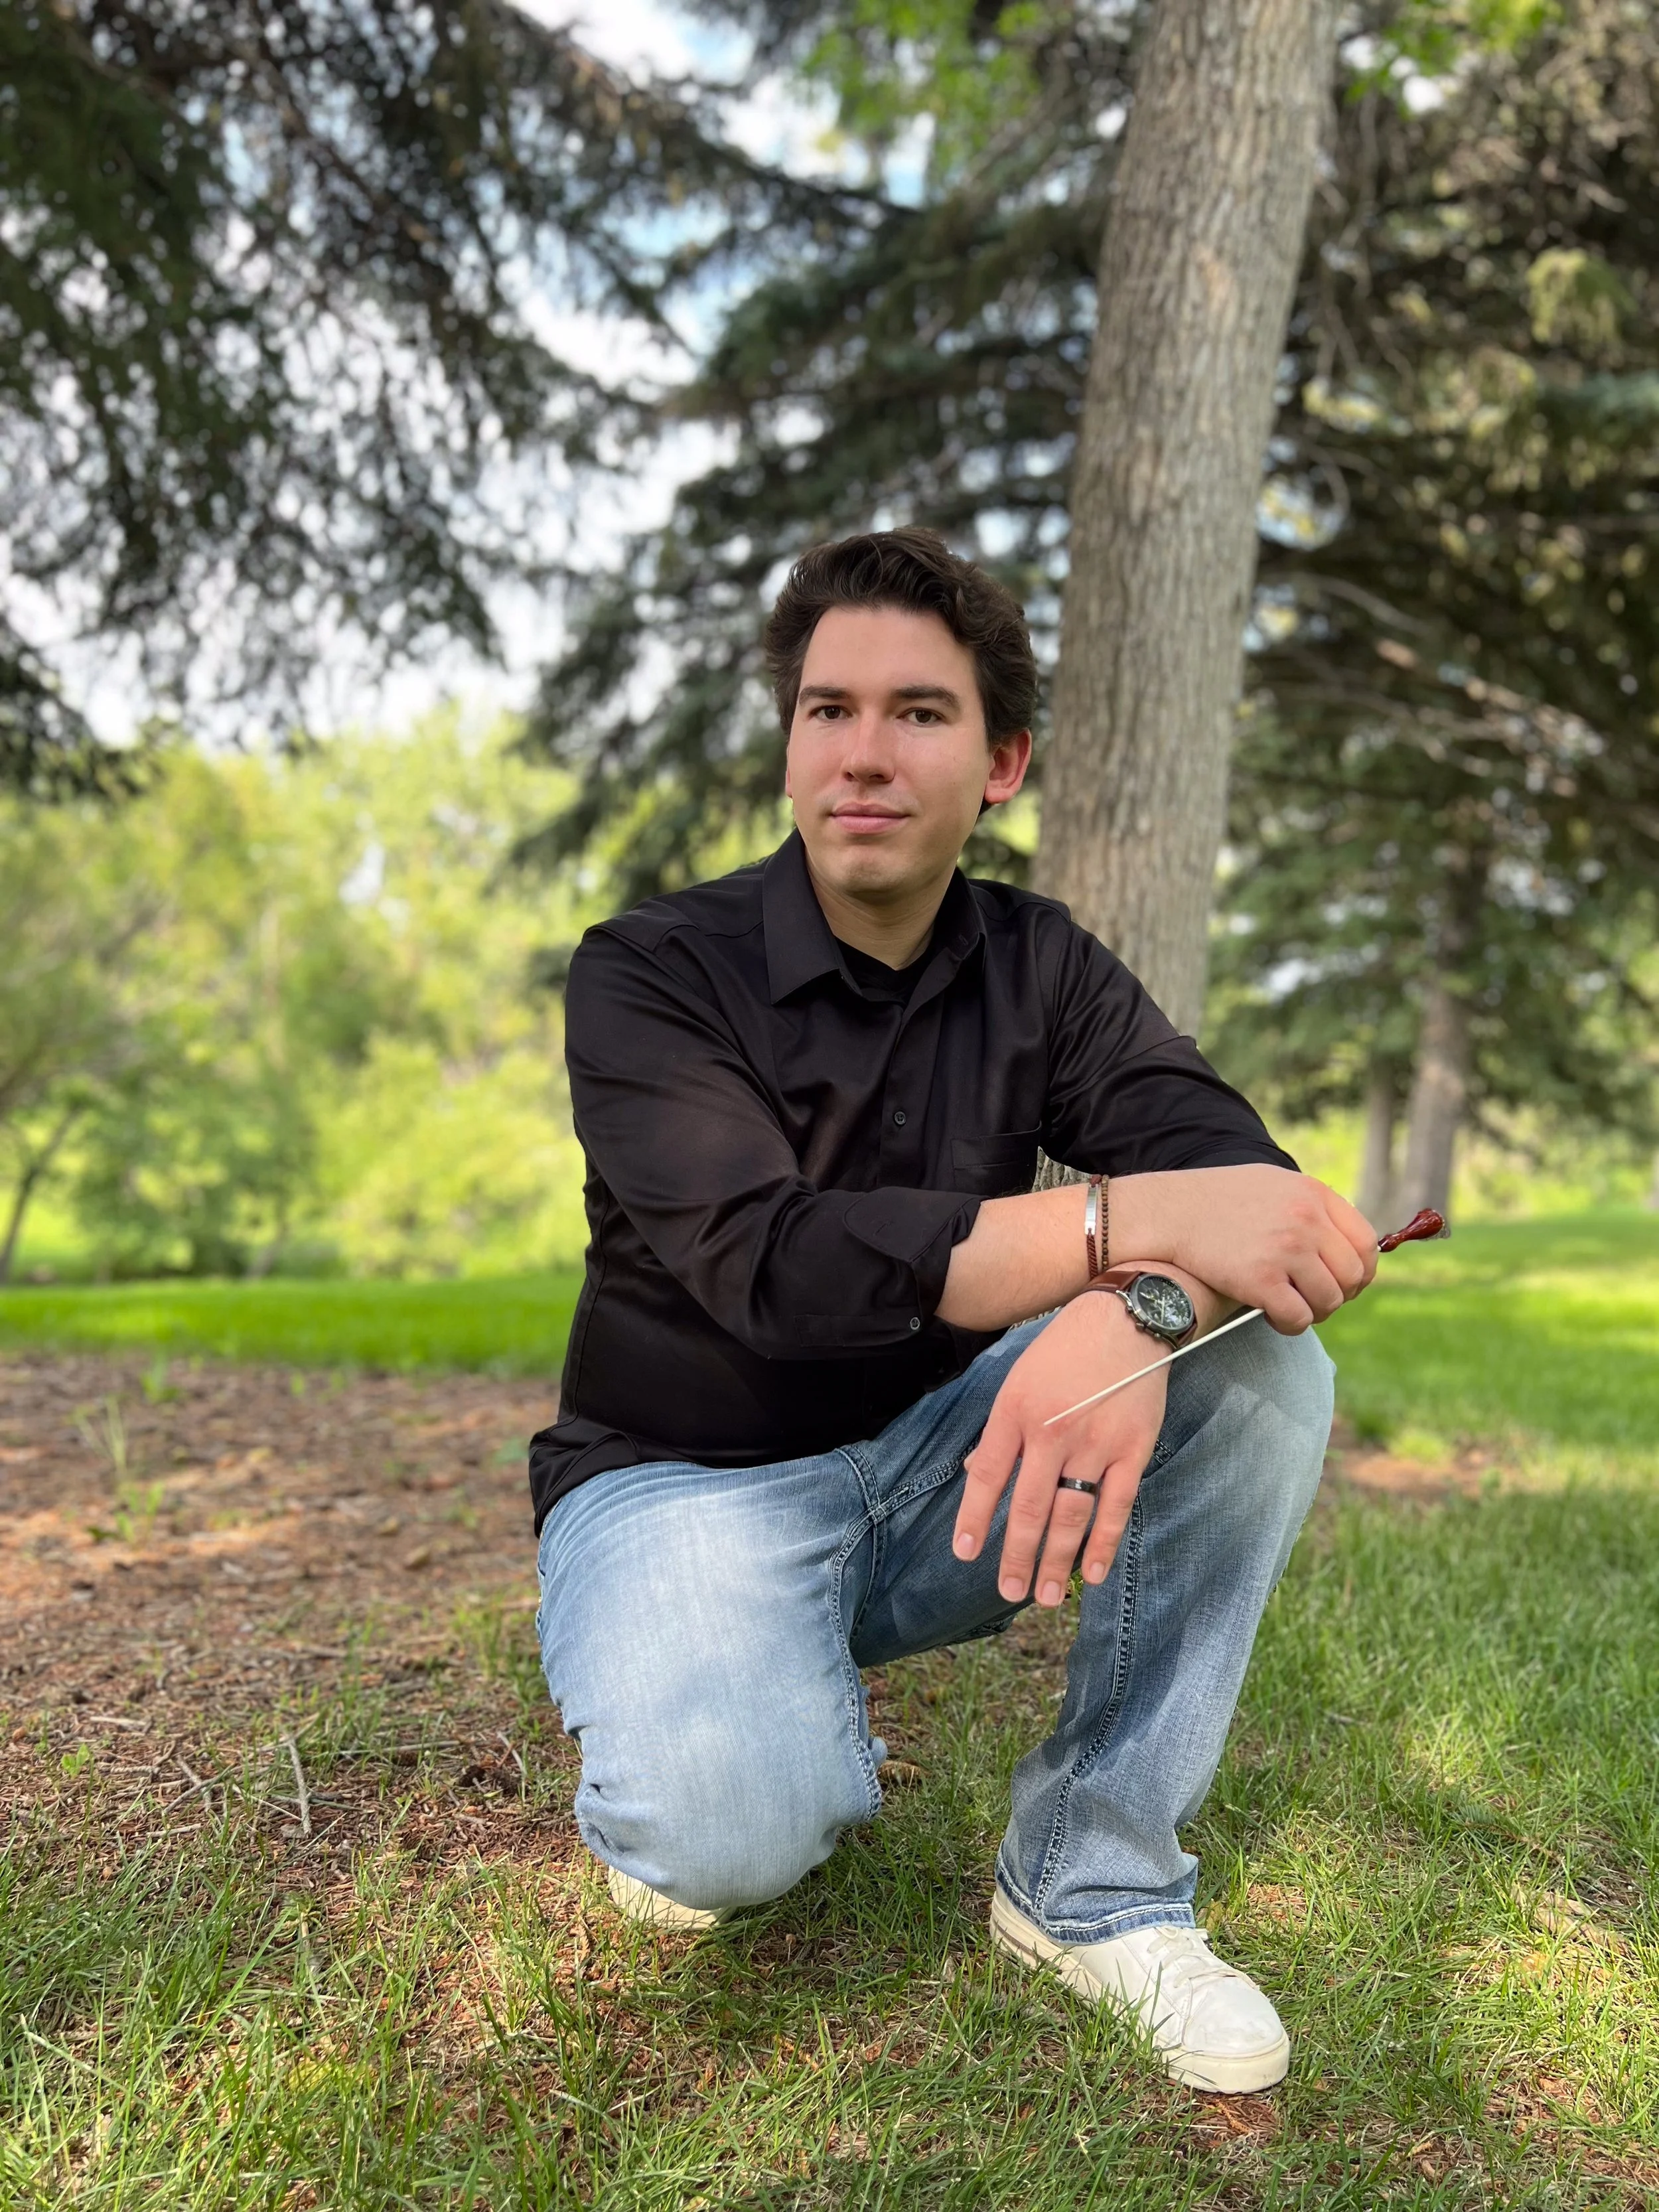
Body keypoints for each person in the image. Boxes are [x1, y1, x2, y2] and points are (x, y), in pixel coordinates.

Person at [530, 527, 1378, 2095]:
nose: (862, 752)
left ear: (999, 764)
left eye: (916, 713)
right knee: (724, 1837)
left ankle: (1091, 1880)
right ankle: (721, 1718)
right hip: (673, 1489)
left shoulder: (1036, 965)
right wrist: (1116, 1225)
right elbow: (772, 1266)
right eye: (826, 710)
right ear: (788, 745)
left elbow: (1238, 1184)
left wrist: (1136, 1311)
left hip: (942, 1468)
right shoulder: (650, 970)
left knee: (1260, 1362)